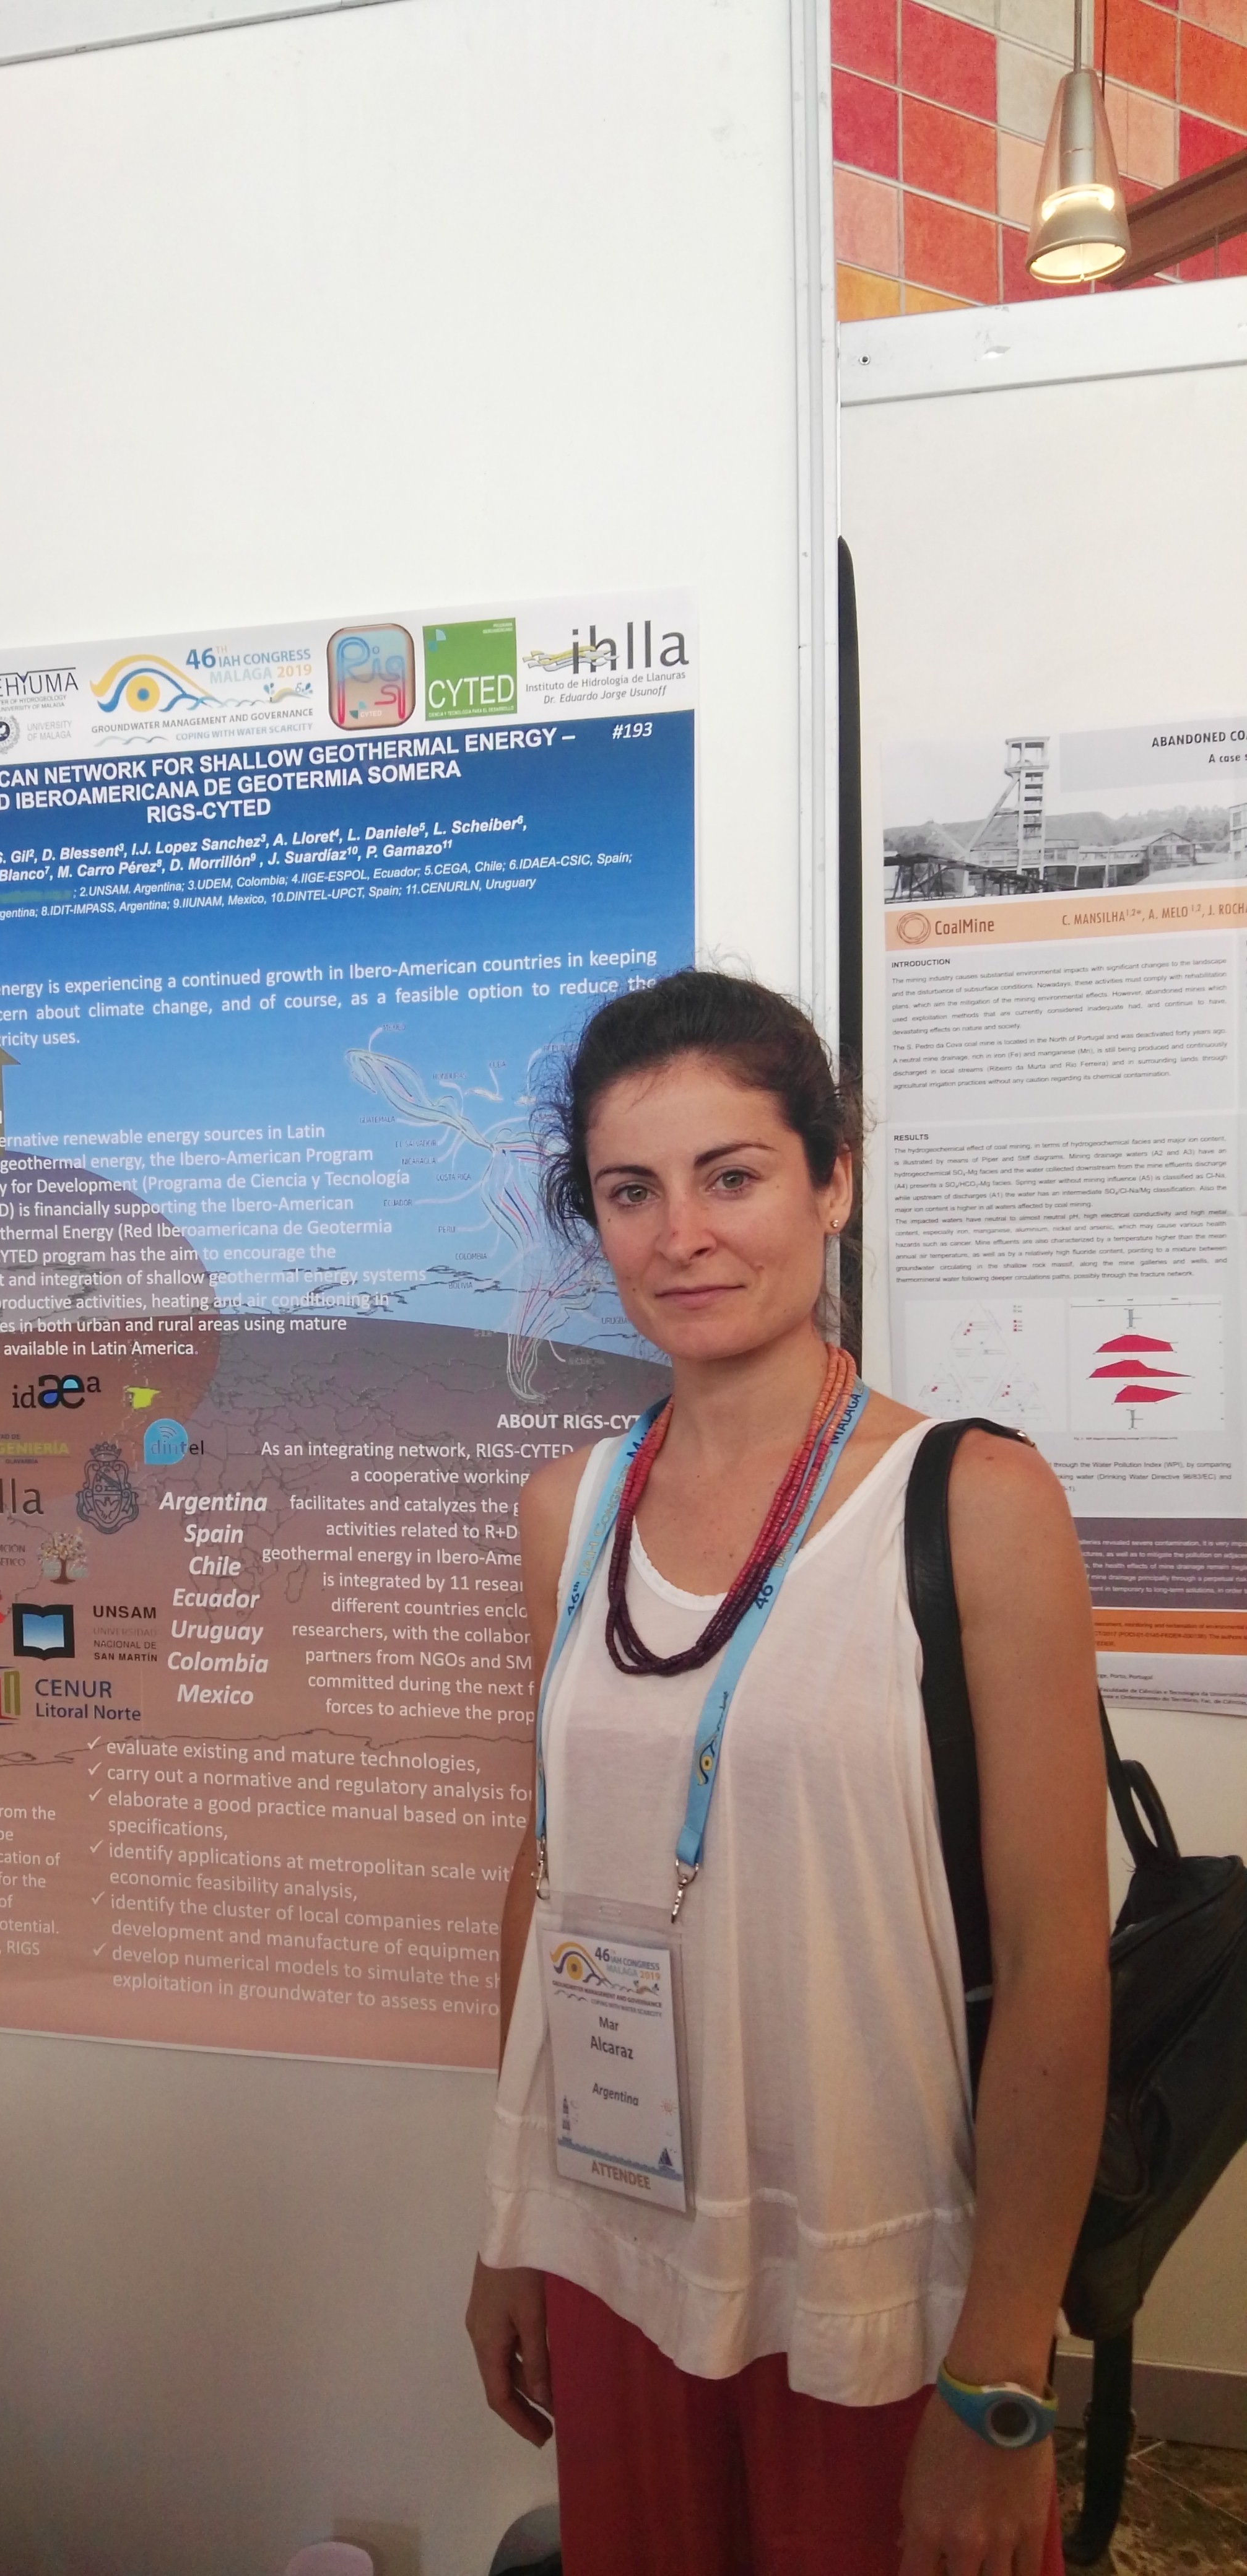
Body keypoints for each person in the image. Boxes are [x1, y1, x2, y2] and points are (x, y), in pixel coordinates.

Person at [466, 972, 1109, 2576]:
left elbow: (1056, 1963)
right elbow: (547, 1873)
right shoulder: (568, 1512)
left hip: (880, 2287)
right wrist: (511, 2228)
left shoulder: (974, 1502)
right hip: (619, 2245)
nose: (682, 1234)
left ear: (832, 1183)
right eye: (632, 1191)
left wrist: (1004, 2374)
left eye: (732, 1174)